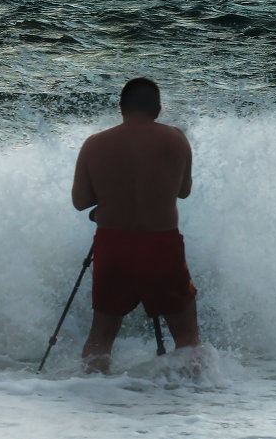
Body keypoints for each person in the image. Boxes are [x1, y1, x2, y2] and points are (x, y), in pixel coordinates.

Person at [71, 77, 199, 373]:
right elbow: (184, 190)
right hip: (161, 245)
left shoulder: (95, 143)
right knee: (187, 337)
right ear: (157, 109)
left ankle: (92, 390)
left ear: (121, 108)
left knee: (101, 336)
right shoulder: (176, 139)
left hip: (113, 245)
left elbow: (80, 201)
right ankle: (195, 394)